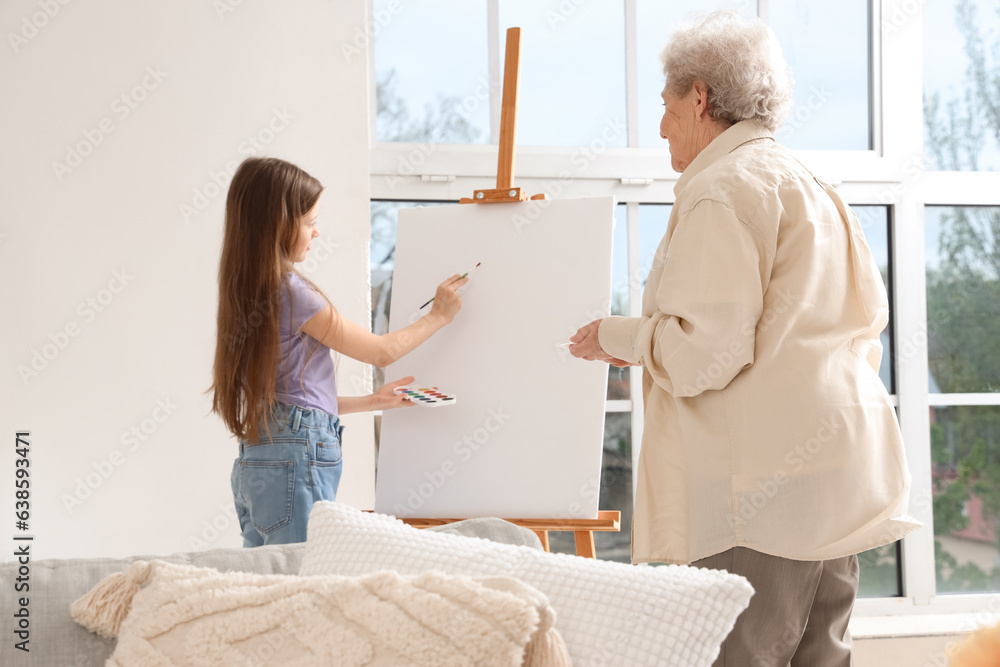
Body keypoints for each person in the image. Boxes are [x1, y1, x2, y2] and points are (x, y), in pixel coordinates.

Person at [569, 11, 920, 666]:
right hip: (835, 478)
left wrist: (618, 335)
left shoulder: (719, 194)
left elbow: (708, 353)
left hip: (759, 493)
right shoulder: (814, 187)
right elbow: (866, 325)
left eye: (667, 106)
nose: (663, 125)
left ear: (700, 97)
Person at [209, 156, 467, 547]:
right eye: (310, 222)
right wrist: (439, 317)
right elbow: (381, 353)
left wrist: (371, 401)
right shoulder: (293, 293)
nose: (317, 232)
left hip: (258, 458)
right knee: (302, 576)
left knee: (268, 581)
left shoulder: (247, 293)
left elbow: (294, 403)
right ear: (279, 223)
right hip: (295, 459)